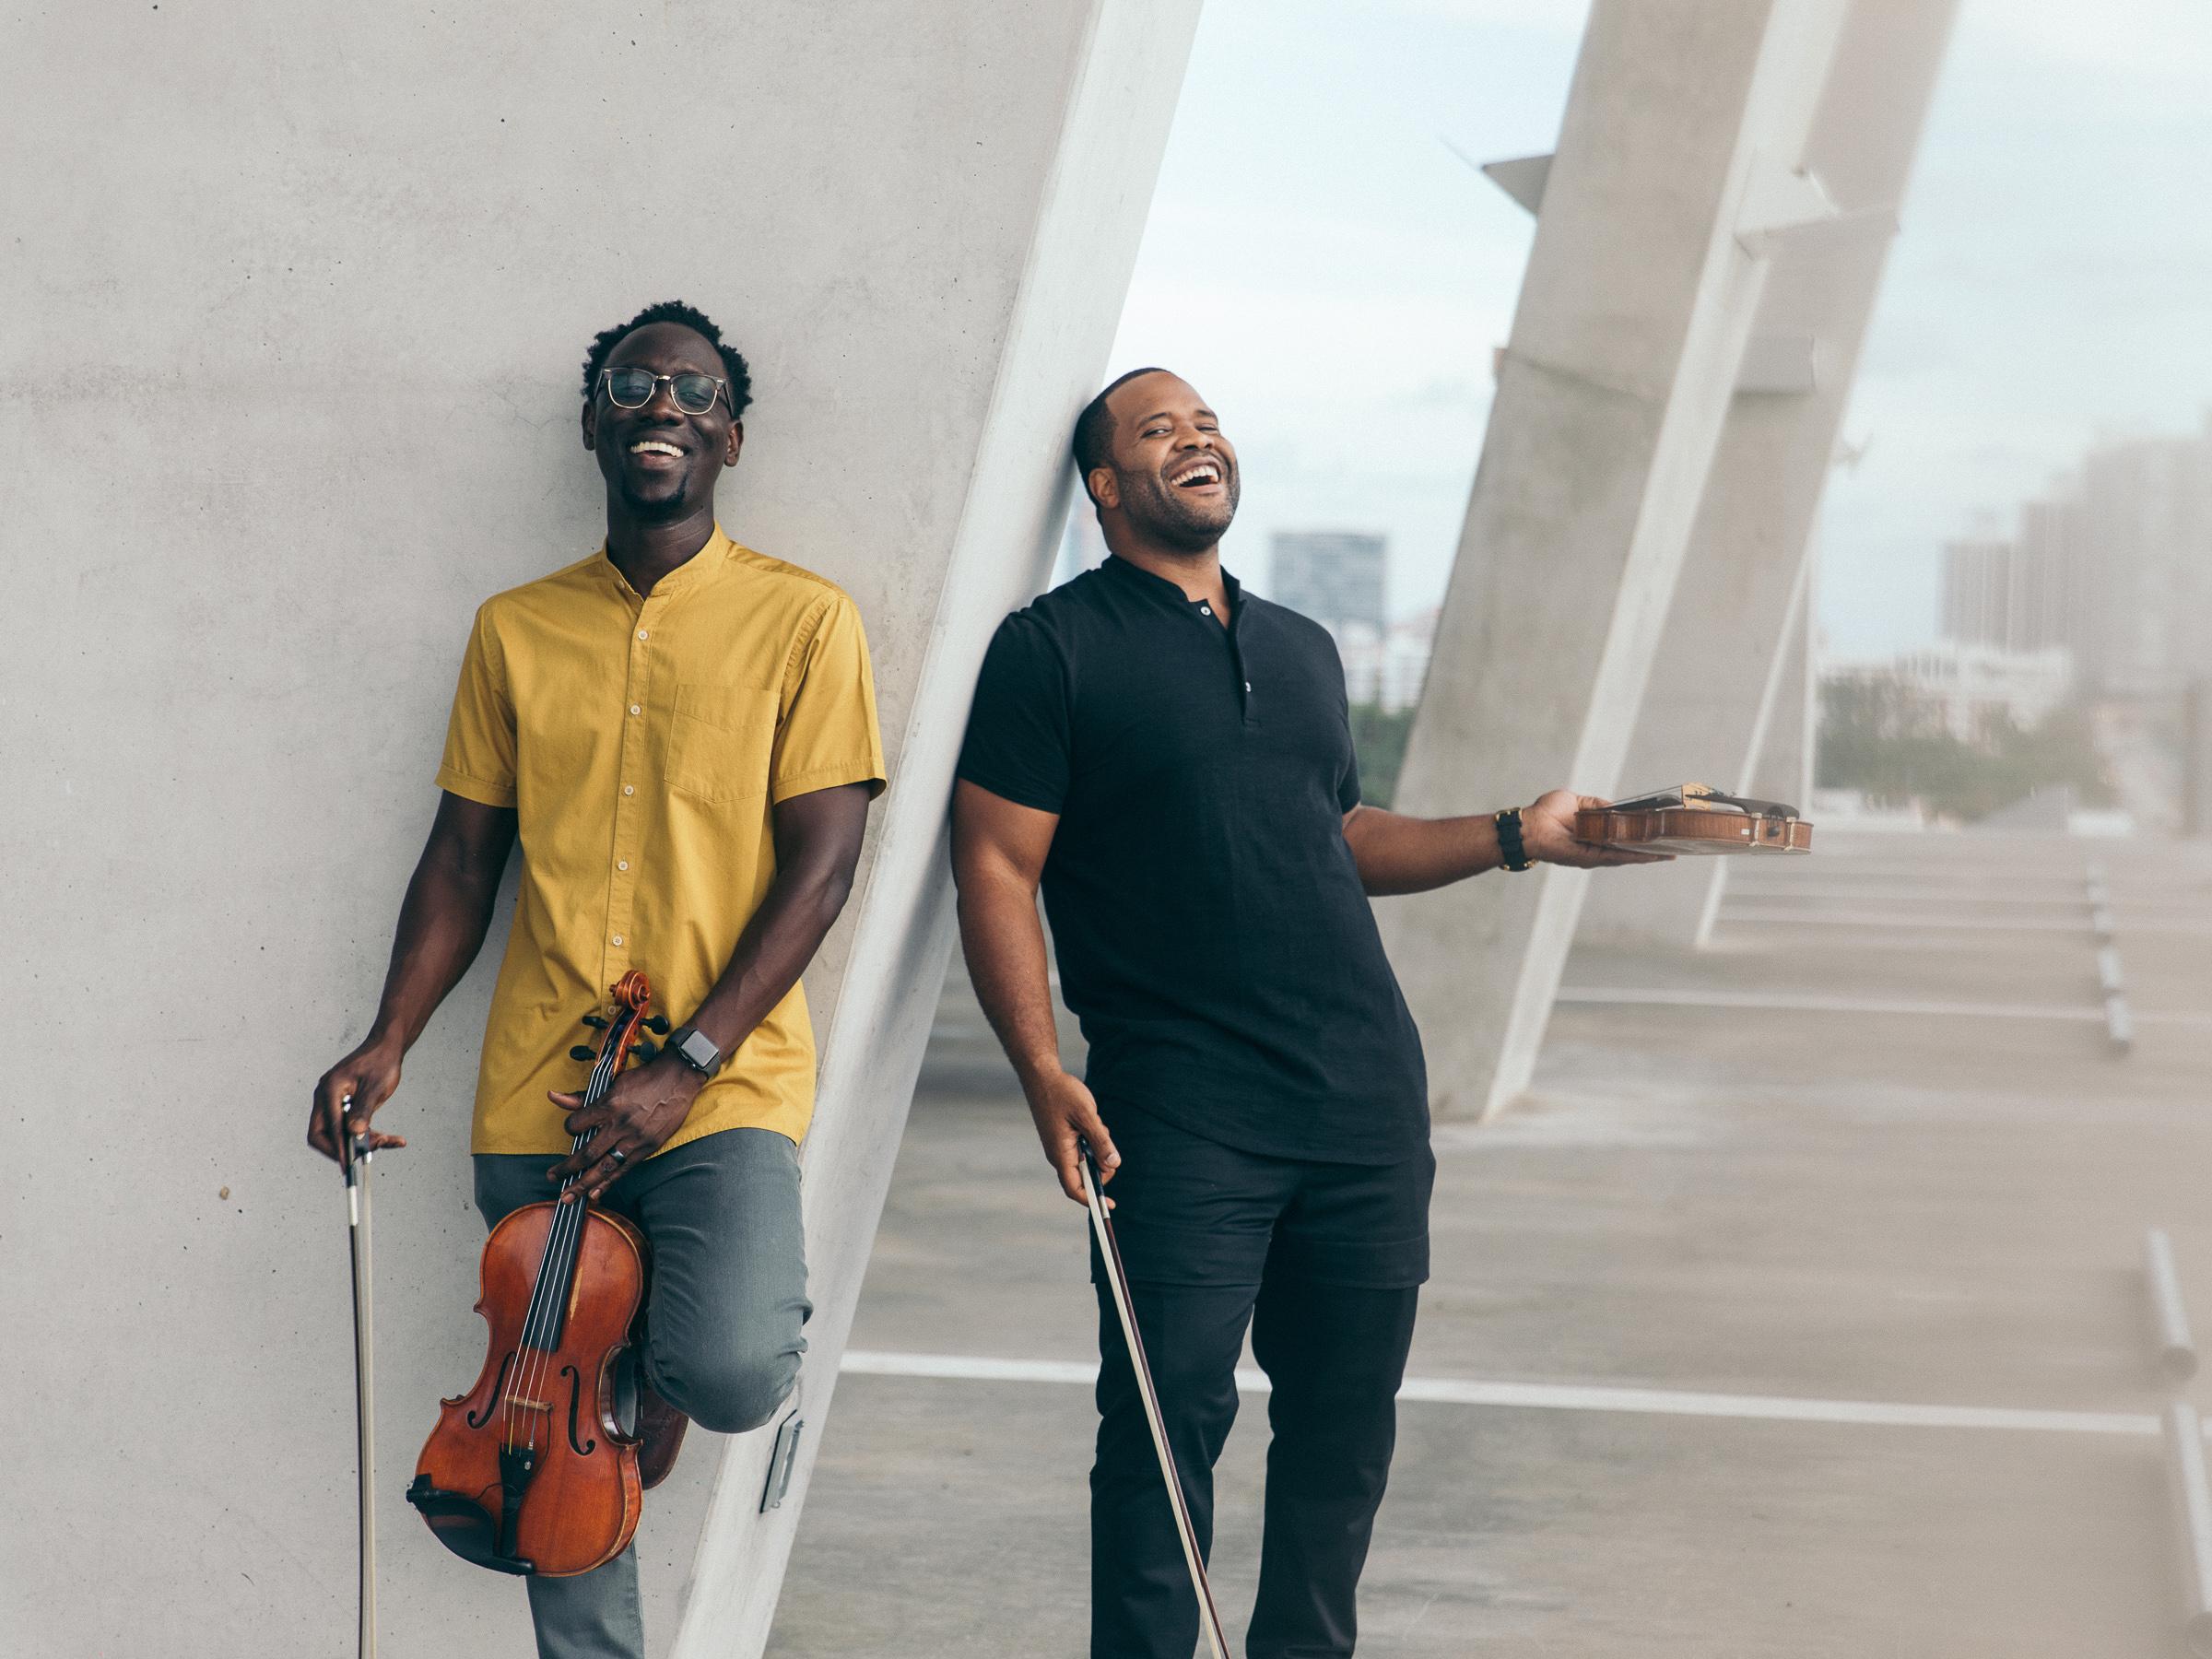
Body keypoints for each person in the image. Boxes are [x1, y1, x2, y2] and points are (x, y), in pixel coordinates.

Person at [951, 368, 1658, 1659]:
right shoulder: (1051, 649)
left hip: (1363, 1104)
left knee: (1342, 1432)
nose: (1196, 436)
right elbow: (998, 864)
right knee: (1168, 1432)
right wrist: (1041, 1064)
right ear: (1107, 487)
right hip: (1182, 1108)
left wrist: (1520, 834)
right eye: (1158, 429)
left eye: (1207, 420)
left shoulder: (1301, 646)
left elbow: (1344, 836)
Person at [308, 300, 886, 1659]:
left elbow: (824, 868)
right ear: (595, 424)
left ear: (730, 435)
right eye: (633, 386)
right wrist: (385, 1039)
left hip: (721, 1091)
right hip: (541, 1100)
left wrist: (685, 1067)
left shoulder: (805, 620)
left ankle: (650, 1394)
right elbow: (463, 860)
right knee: (540, 1410)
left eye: (693, 390)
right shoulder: (514, 630)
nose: (662, 405)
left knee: (732, 1365)